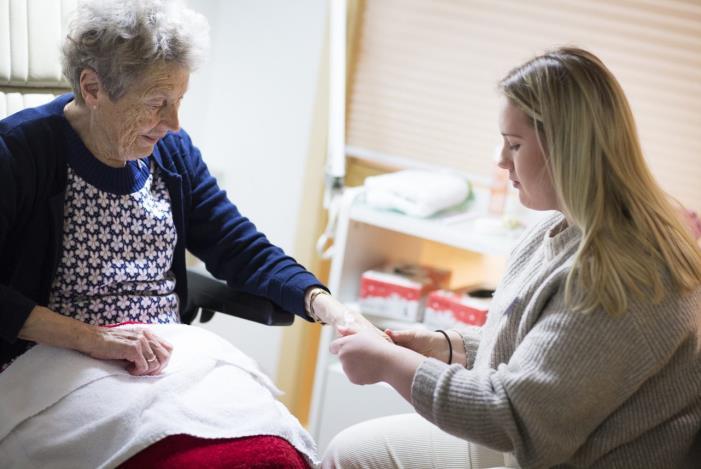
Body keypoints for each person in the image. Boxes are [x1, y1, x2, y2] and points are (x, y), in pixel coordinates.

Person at [0, 0, 382, 466]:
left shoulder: (171, 151)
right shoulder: (18, 153)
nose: (174, 123)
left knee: (275, 456)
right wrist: (95, 339)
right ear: (93, 88)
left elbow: (235, 242)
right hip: (57, 363)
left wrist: (326, 305)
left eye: (179, 101)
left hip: (169, 361)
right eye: (156, 104)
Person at [323, 47, 701, 468]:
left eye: (514, 145)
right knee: (349, 451)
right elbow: (547, 354)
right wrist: (447, 346)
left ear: (567, 147)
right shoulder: (558, 229)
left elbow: (513, 418)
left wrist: (392, 366)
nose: (501, 161)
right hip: (533, 444)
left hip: (563, 454)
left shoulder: (621, 279)